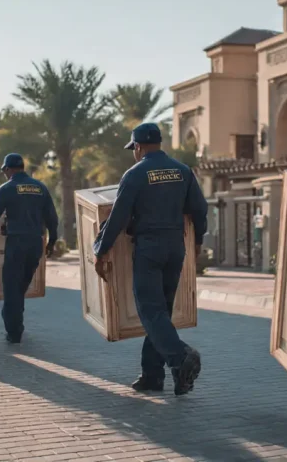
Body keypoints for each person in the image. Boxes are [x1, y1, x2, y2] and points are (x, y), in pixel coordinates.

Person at [92, 123, 209, 396]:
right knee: (161, 312)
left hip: (149, 248)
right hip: (175, 247)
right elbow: (199, 210)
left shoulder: (135, 174)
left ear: (139, 147)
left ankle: (181, 357)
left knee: (150, 311)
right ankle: (153, 376)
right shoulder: (183, 171)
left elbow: (118, 218)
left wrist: (100, 249)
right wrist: (198, 241)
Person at [0, 153, 58, 343]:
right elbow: (52, 217)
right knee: (21, 286)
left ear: (8, 169)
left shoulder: (7, 188)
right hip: (35, 244)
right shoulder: (40, 188)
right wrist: (52, 241)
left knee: (12, 289)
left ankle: (14, 332)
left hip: (16, 243)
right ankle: (17, 323)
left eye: (4, 172)